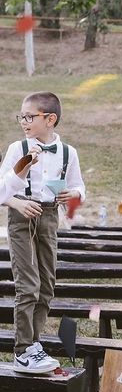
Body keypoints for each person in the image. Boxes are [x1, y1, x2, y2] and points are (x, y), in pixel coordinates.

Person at [0, 91, 85, 374]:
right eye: (21, 117)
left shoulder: (68, 152)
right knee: (28, 285)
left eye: (29, 117)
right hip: (22, 218)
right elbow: (3, 190)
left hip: (49, 217)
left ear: (50, 119)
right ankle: (22, 350)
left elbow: (79, 188)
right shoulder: (17, 147)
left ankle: (35, 345)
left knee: (47, 285)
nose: (23, 122)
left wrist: (73, 194)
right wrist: (25, 163)